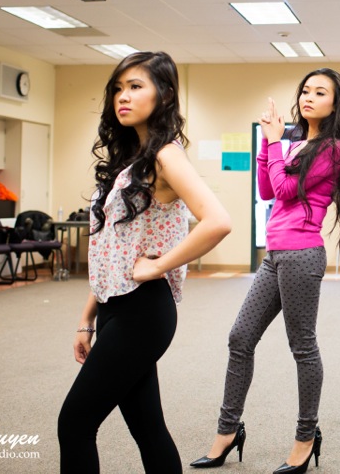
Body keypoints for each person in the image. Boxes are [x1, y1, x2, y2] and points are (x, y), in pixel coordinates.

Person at [58, 52, 232, 472]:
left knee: (75, 423)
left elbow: (218, 221)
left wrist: (158, 266)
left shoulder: (166, 156)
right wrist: (88, 317)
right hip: (115, 306)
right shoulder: (129, 158)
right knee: (147, 427)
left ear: (165, 94)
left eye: (136, 86)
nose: (123, 96)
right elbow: (109, 246)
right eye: (118, 88)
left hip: (143, 309)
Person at [192, 68, 340, 474]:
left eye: (320, 92)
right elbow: (267, 190)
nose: (309, 97)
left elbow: (285, 189)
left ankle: (306, 437)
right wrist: (269, 144)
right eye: (305, 90)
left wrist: (273, 141)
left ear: (335, 104)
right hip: (274, 253)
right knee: (240, 338)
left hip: (302, 254)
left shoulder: (332, 148)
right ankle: (228, 431)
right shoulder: (293, 142)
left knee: (302, 347)